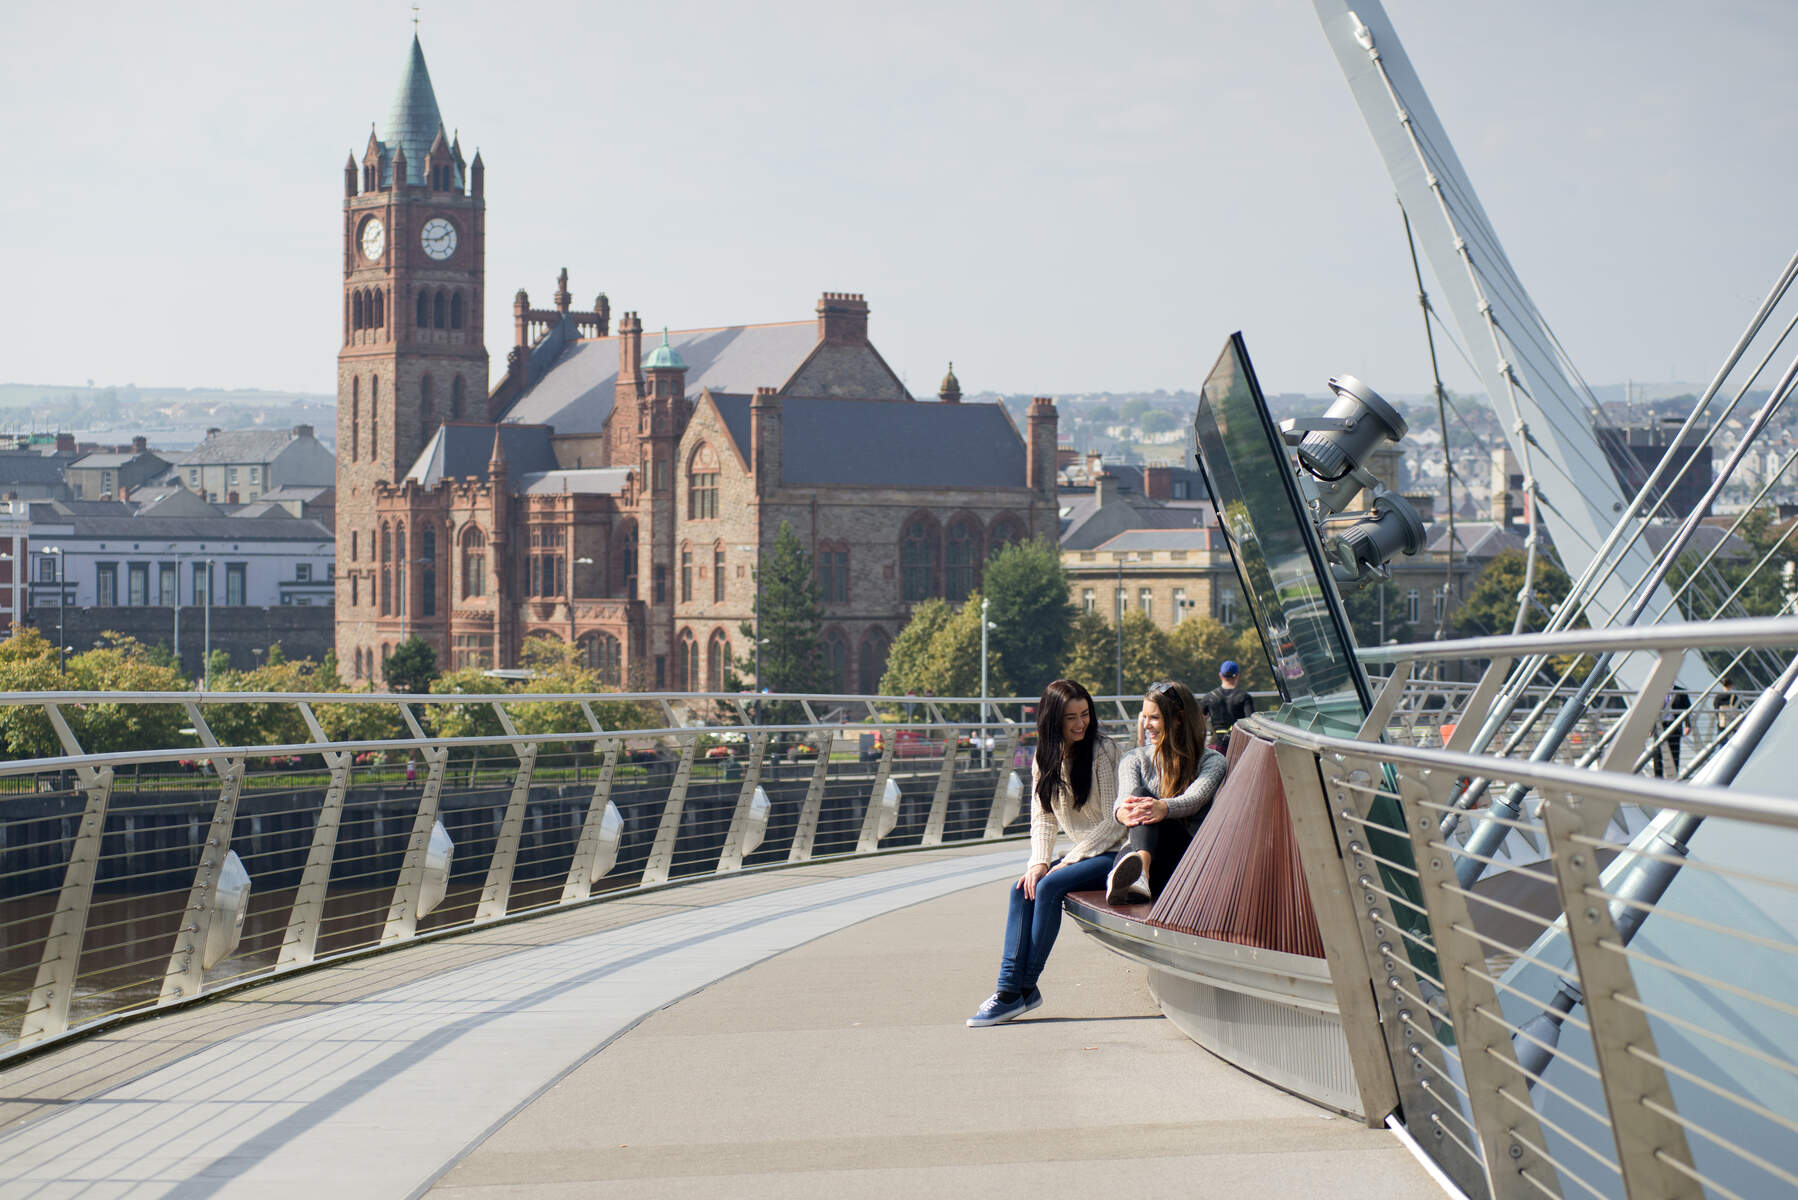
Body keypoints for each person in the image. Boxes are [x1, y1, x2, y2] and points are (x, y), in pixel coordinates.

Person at [968, 678, 1123, 1028]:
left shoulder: (1104, 750)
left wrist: (1064, 862)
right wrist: (1039, 863)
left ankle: (1019, 989)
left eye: (1084, 714)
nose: (1080, 723)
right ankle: (1011, 989)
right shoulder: (1045, 756)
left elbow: (1116, 822)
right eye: (1071, 717)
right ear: (1054, 719)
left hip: (1116, 854)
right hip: (1085, 855)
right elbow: (1043, 819)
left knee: (1050, 887)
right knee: (1022, 887)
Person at [1106, 681, 1228, 903]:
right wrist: (1121, 813)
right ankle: (1137, 875)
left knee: (1143, 798)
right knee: (1139, 795)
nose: (1146, 725)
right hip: (1147, 853)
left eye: (1154, 718)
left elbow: (1194, 799)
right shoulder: (1134, 759)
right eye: (1144, 717)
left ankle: (1135, 875)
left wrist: (1163, 807)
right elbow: (1124, 800)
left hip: (1184, 858)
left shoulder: (1212, 761)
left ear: (1178, 719)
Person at [1199, 660, 1256, 753]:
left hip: (1216, 744)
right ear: (1237, 676)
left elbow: (1198, 719)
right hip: (1237, 743)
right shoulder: (1244, 697)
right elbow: (1251, 722)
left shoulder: (1209, 697)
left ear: (1220, 676)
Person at [1654, 687, 1689, 778]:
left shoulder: (1681, 691)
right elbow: (1651, 709)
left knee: (1675, 751)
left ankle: (1673, 776)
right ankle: (1658, 777)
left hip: (1675, 725)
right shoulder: (1656, 691)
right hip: (1659, 725)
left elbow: (1687, 710)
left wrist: (1687, 725)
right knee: (1657, 752)